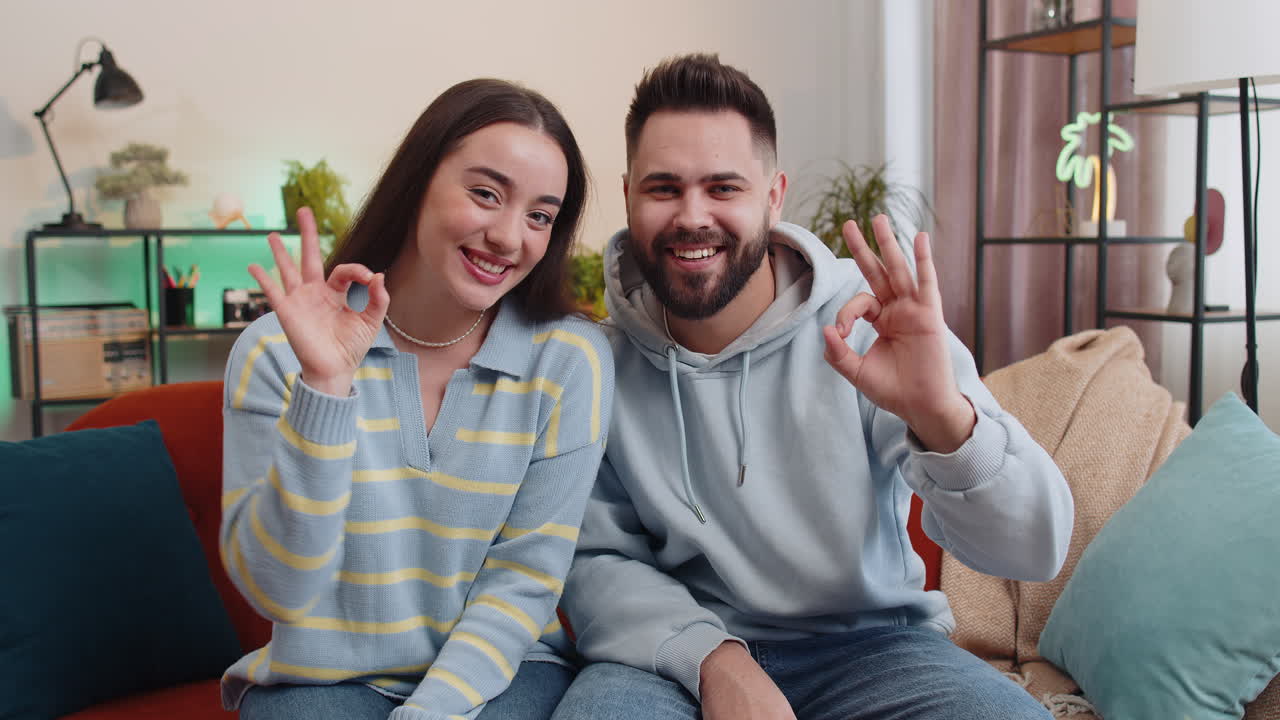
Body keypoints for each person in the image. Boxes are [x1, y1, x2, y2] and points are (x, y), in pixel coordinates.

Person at [552, 54, 1073, 720]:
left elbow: (1035, 547)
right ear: (629, 196)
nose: (692, 215)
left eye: (723, 187)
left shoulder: (867, 326)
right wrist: (717, 661)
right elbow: (593, 560)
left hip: (875, 648)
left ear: (773, 196)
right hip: (673, 651)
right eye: (663, 188)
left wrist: (941, 414)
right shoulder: (597, 365)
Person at [219, 79, 614, 720]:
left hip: (503, 675)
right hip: (322, 685)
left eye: (540, 216)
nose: (510, 238)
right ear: (418, 183)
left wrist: (429, 713)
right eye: (485, 194)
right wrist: (324, 388)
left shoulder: (570, 360)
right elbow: (279, 591)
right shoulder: (276, 352)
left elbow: (524, 579)